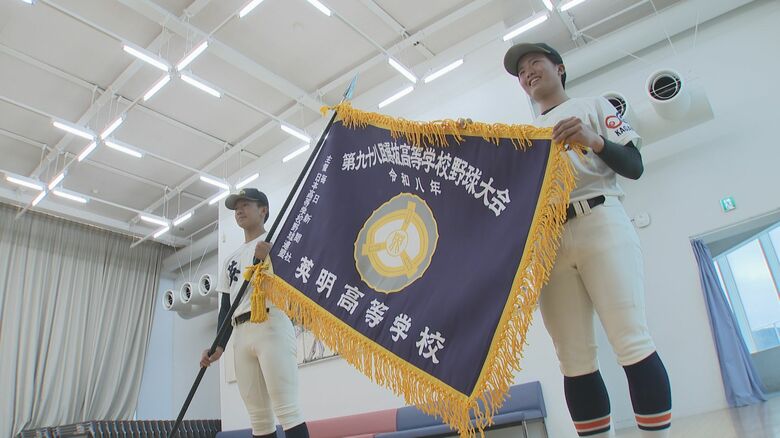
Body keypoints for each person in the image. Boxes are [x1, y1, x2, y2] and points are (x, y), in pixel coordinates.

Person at [503, 43, 672, 437]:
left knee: (630, 338)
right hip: (549, 241)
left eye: (535, 64)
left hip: (600, 217)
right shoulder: (524, 137)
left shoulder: (594, 106)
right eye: (521, 72)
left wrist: (594, 139)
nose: (528, 73)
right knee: (574, 358)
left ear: (559, 69)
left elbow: (635, 166)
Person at [199, 188, 309, 438]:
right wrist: (218, 346)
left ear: (263, 210)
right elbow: (226, 308)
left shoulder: (279, 242)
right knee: (259, 419)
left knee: (287, 409)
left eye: (246, 204)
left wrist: (269, 257)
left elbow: (296, 282)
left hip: (271, 324)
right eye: (236, 206)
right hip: (240, 333)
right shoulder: (231, 260)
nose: (239, 210)